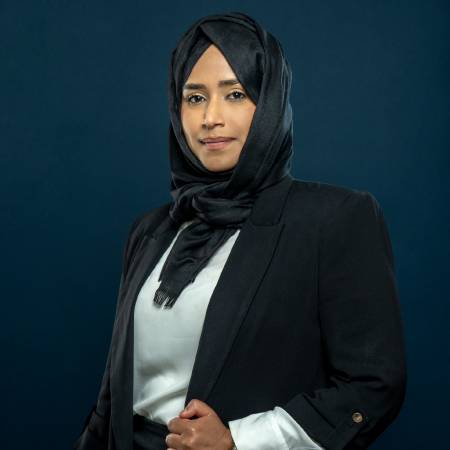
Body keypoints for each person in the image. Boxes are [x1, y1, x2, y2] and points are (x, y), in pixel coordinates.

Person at [73, 11, 407, 450]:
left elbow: (373, 385)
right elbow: (113, 394)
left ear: (269, 102)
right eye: (195, 97)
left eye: (235, 94)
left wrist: (238, 441)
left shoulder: (333, 219)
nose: (210, 117)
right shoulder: (151, 230)